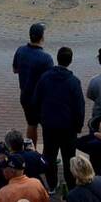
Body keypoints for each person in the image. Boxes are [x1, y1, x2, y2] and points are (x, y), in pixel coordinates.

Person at [31, 45, 85, 191]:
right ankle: (70, 184)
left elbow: (36, 100)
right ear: (70, 61)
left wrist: (41, 119)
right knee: (69, 158)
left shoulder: (45, 77)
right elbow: (79, 107)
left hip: (49, 126)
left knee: (49, 156)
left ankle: (52, 185)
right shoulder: (74, 81)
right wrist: (78, 126)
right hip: (68, 128)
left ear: (57, 58)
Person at [13, 22, 54, 144]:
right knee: (48, 126)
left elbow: (15, 69)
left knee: (31, 124)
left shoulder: (20, 50)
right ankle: (48, 156)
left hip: (25, 96)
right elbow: (50, 80)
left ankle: (32, 152)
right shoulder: (46, 58)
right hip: (41, 99)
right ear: (42, 38)